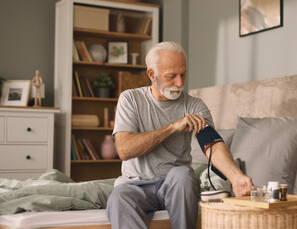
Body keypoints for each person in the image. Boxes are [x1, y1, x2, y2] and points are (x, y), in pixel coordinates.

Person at [106, 41, 253, 229]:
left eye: (183, 74)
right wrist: (173, 127)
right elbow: (125, 149)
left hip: (175, 185)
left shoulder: (194, 105)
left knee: (183, 175)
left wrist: (236, 178)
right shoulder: (131, 99)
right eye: (171, 76)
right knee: (119, 197)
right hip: (135, 185)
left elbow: (212, 144)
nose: (180, 83)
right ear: (152, 74)